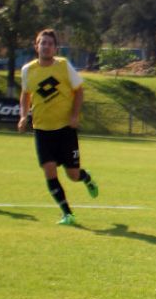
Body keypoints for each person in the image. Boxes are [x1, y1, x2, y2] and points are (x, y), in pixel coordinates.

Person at [18, 29, 99, 225]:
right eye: (42, 43)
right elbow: (25, 94)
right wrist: (23, 116)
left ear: (55, 48)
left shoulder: (63, 66)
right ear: (36, 46)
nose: (45, 46)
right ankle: (67, 213)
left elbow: (78, 91)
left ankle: (86, 178)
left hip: (65, 129)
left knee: (72, 175)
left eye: (49, 43)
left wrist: (74, 115)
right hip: (42, 129)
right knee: (49, 169)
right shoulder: (28, 70)